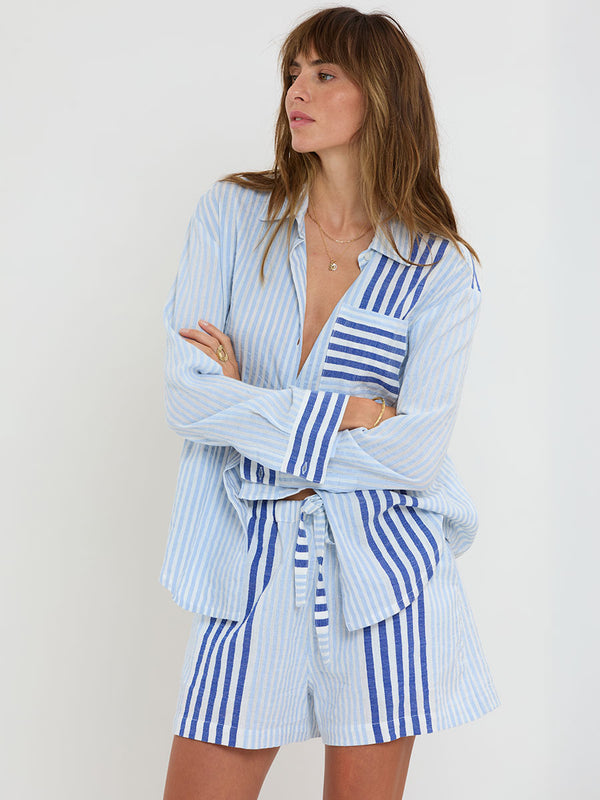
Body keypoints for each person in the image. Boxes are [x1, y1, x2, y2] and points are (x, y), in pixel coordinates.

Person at [160, 6, 500, 799]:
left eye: (324, 74)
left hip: (383, 580)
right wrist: (350, 411)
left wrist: (249, 404)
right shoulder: (232, 216)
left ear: (380, 95)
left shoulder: (437, 268)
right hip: (253, 567)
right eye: (292, 73)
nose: (296, 92)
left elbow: (414, 455)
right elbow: (187, 397)